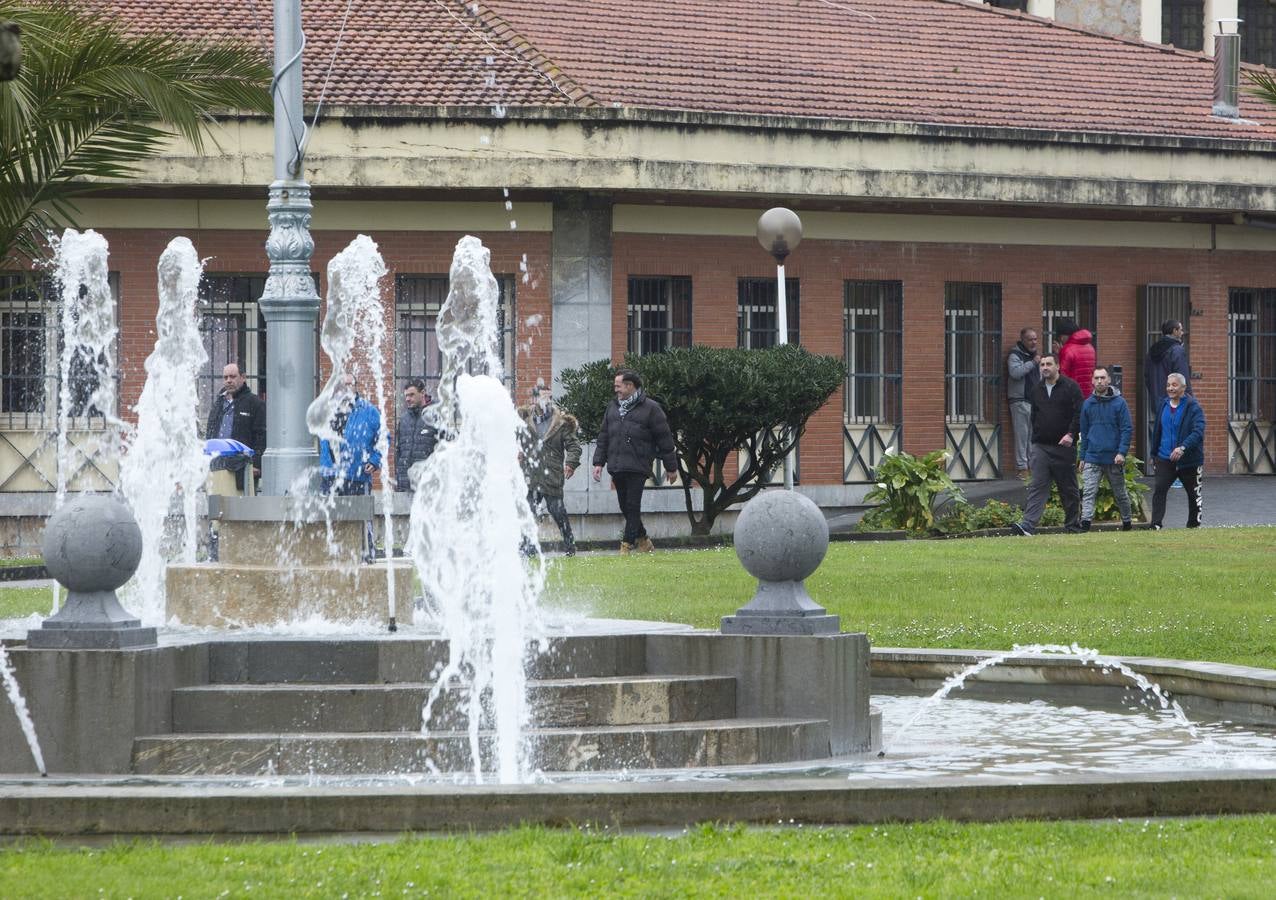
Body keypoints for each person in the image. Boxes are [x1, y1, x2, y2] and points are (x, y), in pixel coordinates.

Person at [591, 369, 678, 554]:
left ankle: (626, 545)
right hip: (617, 465)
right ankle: (644, 540)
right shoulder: (612, 407)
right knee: (625, 506)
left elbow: (664, 438)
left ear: (630, 386)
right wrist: (598, 463)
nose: (616, 390)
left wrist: (671, 467)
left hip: (638, 465)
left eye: (619, 386)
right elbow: (603, 436)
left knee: (632, 505)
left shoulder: (651, 408)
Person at [1011, 354, 1084, 536]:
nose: (1044, 367)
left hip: (1064, 447)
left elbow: (1079, 414)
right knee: (1038, 485)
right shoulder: (1036, 390)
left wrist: (1070, 434)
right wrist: (1035, 439)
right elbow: (1034, 415)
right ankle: (1028, 525)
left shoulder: (1071, 387)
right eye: (1042, 364)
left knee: (1068, 488)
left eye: (1049, 364)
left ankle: (1073, 526)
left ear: (1058, 366)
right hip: (1041, 446)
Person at [518, 380, 582, 555]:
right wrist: (517, 450)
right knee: (529, 512)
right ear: (535, 399)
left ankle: (570, 546)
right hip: (530, 474)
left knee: (558, 512)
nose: (547, 400)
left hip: (552, 475)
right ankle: (527, 547)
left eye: (549, 397)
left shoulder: (561, 422)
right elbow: (512, 437)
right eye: (543, 397)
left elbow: (574, 446)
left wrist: (570, 463)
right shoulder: (523, 418)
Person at [1078, 366, 1133, 532]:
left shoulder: (1120, 403)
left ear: (1109, 380)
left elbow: (1126, 428)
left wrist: (1121, 452)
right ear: (1092, 381)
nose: (1100, 381)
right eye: (1096, 378)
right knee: (1088, 492)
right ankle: (1085, 524)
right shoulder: (1088, 404)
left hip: (1113, 457)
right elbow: (1084, 432)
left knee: (1120, 493)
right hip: (1093, 456)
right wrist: (1083, 457)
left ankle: (1127, 522)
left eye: (1103, 378)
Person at [1149, 373, 1205, 530]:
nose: (1170, 388)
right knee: (1159, 490)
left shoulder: (1193, 407)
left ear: (1183, 387)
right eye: (1168, 385)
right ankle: (1156, 525)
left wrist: (1183, 448)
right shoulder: (1163, 404)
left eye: (1174, 385)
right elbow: (1157, 431)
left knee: (1194, 495)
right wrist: (1153, 454)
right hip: (1164, 458)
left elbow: (1198, 432)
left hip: (1189, 461)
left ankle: (1193, 526)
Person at [205, 362, 266, 497]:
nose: (228, 381)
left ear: (243, 377)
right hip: (217, 466)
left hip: (242, 469)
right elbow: (210, 433)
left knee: (241, 509)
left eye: (233, 376)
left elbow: (261, 435)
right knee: (216, 509)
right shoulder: (218, 404)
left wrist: (256, 464)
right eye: (225, 377)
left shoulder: (255, 403)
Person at [319, 376, 382, 497]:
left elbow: (384, 439)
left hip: (357, 477)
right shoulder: (328, 411)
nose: (345, 388)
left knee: (358, 514)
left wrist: (375, 461)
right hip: (329, 476)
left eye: (349, 384)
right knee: (329, 515)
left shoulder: (369, 411)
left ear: (356, 386)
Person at [1006, 327, 1041, 476]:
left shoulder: (1035, 356)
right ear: (1023, 340)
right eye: (1030, 339)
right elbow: (1015, 373)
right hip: (1019, 400)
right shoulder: (1015, 355)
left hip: (1033, 401)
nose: (1033, 342)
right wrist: (1033, 362)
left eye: (1035, 339)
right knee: (1022, 434)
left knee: (1032, 435)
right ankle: (1022, 467)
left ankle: (1032, 465)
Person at [394, 378, 438, 492]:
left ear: (423, 393)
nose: (408, 399)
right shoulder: (403, 420)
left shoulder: (436, 415)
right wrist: (399, 478)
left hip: (427, 486)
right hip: (405, 485)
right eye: (406, 395)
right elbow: (399, 452)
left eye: (412, 395)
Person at [1145, 319, 1191, 407]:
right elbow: (1182, 378)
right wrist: (1189, 401)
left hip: (1157, 402)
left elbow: (1147, 377)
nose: (1182, 333)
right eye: (1181, 330)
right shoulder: (1177, 350)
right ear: (1175, 331)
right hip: (1175, 403)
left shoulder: (1152, 351)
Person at [1055, 318, 1096, 398]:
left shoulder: (1067, 349)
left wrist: (1060, 354)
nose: (1060, 340)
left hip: (1073, 395)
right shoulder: (1090, 347)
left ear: (1064, 335)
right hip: (1089, 393)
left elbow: (1062, 375)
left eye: (1060, 337)